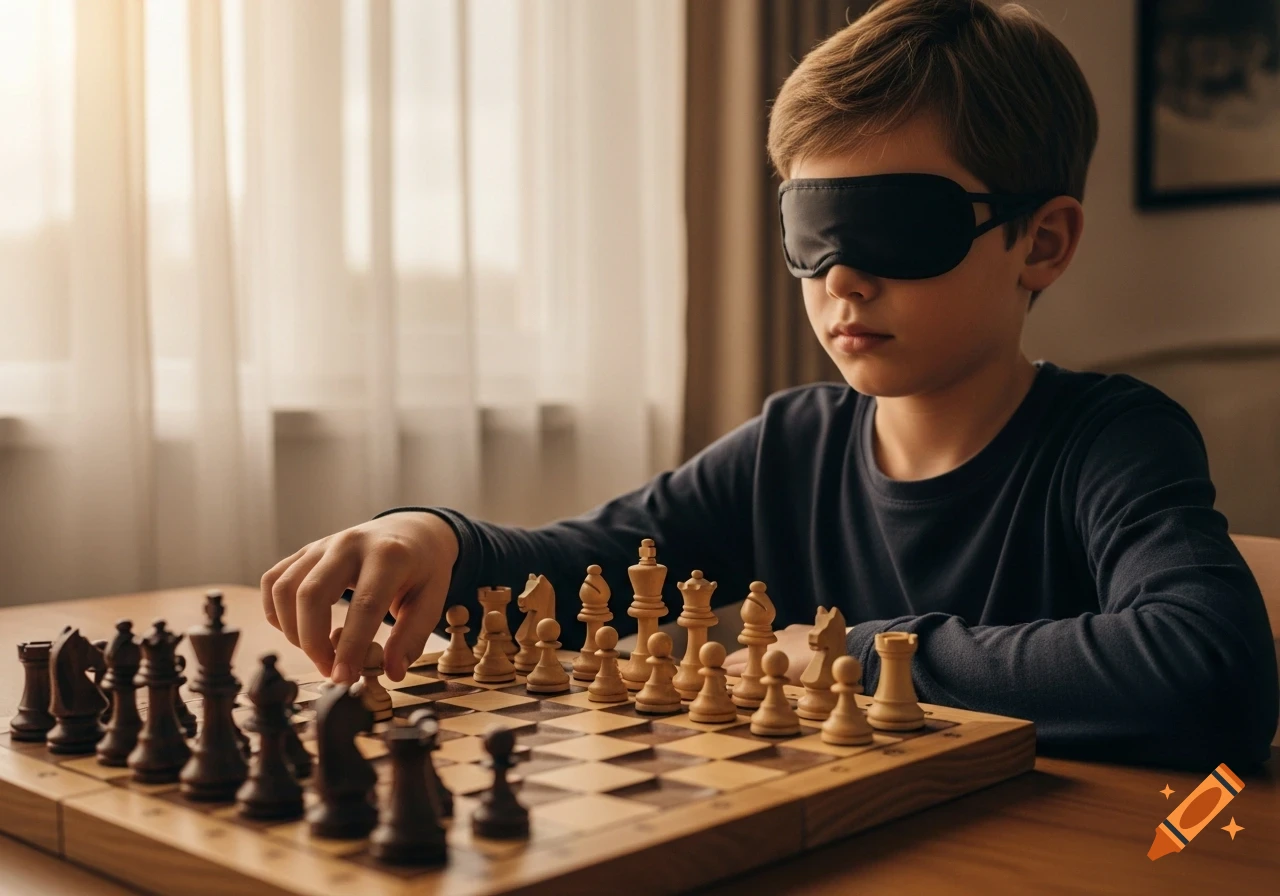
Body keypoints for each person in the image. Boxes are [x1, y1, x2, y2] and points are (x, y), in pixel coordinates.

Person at [260, 0, 1278, 771]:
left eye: (894, 225)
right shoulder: (791, 445)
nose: (841, 276)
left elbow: (1206, 668)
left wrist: (850, 654)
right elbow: (595, 568)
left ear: (1040, 242)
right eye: (809, 233)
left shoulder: (1111, 441)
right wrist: (436, 536)